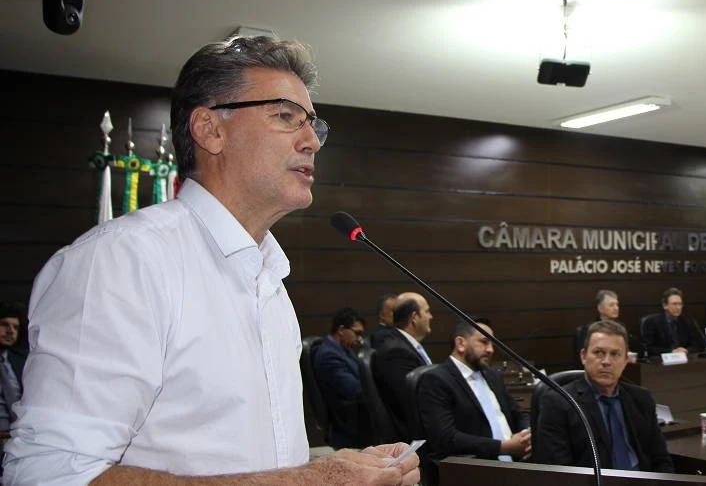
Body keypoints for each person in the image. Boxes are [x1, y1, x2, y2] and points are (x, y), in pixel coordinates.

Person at [3, 37, 419, 485]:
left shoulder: (270, 281)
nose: (311, 142)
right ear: (209, 129)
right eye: (285, 116)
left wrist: (349, 472)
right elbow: (47, 476)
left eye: (313, 125)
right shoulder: (120, 263)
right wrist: (314, 481)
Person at [534, 320, 673, 472]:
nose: (607, 362)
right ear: (583, 356)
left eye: (615, 354)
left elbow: (661, 459)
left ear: (625, 361)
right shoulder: (559, 403)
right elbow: (559, 471)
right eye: (599, 353)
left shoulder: (641, 399)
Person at [417, 319, 531, 465]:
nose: (491, 350)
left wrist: (526, 434)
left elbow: (518, 413)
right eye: (484, 342)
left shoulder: (492, 375)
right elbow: (445, 438)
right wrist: (503, 447)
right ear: (461, 344)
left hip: (517, 461)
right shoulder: (435, 380)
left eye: (492, 344)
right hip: (475, 467)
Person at [374, 292, 434, 440]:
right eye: (427, 311)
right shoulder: (396, 353)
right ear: (414, 318)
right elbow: (413, 402)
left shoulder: (406, 345)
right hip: (419, 438)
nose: (431, 316)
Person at [313, 307, 368, 448]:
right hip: (348, 425)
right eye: (357, 333)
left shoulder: (344, 350)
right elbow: (354, 391)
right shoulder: (329, 356)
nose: (359, 338)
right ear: (341, 329)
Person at [641, 288, 706, 356]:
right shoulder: (652, 322)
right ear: (665, 305)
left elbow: (699, 345)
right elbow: (648, 348)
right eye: (674, 304)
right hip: (661, 360)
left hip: (684, 359)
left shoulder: (686, 321)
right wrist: (671, 351)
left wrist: (686, 350)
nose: (678, 307)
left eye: (680, 304)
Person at [0, 301, 26, 435]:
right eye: (4, 324)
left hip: (17, 436)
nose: (11, 331)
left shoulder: (21, 361)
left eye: (15, 327)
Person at [573, 290, 620, 356]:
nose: (616, 308)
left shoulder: (621, 328)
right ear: (600, 308)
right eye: (611, 305)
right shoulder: (589, 330)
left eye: (617, 305)